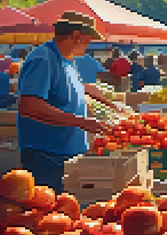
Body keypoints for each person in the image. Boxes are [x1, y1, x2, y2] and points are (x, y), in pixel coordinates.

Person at [17, 11, 118, 194]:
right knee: (48, 212)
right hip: (47, 156)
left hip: (67, 154)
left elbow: (78, 88)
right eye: (88, 39)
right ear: (75, 35)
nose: (89, 44)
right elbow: (29, 106)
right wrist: (82, 122)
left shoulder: (67, 60)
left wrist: (111, 105)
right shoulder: (43, 58)